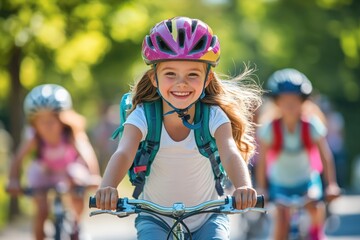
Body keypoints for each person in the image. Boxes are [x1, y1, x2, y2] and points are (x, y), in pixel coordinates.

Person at [95, 16, 262, 239]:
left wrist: (243, 187)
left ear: (207, 78)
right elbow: (124, 151)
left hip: (209, 215)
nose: (181, 83)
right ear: (154, 78)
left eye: (192, 74)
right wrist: (108, 187)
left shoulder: (213, 115)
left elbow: (230, 152)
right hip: (154, 217)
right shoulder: (143, 115)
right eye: (170, 74)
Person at [7, 84, 101, 240]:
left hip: (67, 171)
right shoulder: (34, 136)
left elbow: (86, 152)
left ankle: (77, 224)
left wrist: (94, 175)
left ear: (63, 119)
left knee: (77, 186)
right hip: (44, 172)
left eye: (52, 120)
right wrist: (14, 180)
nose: (47, 126)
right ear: (33, 123)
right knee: (42, 210)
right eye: (41, 121)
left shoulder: (70, 133)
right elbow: (18, 158)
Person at [256, 68, 341, 240]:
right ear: (276, 102)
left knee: (315, 206)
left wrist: (331, 184)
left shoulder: (311, 125)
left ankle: (317, 234)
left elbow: (325, 156)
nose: (290, 105)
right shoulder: (271, 128)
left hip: (306, 181)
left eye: (294, 100)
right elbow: (262, 160)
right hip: (280, 183)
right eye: (284, 100)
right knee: (280, 219)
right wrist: (262, 187)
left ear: (303, 102)